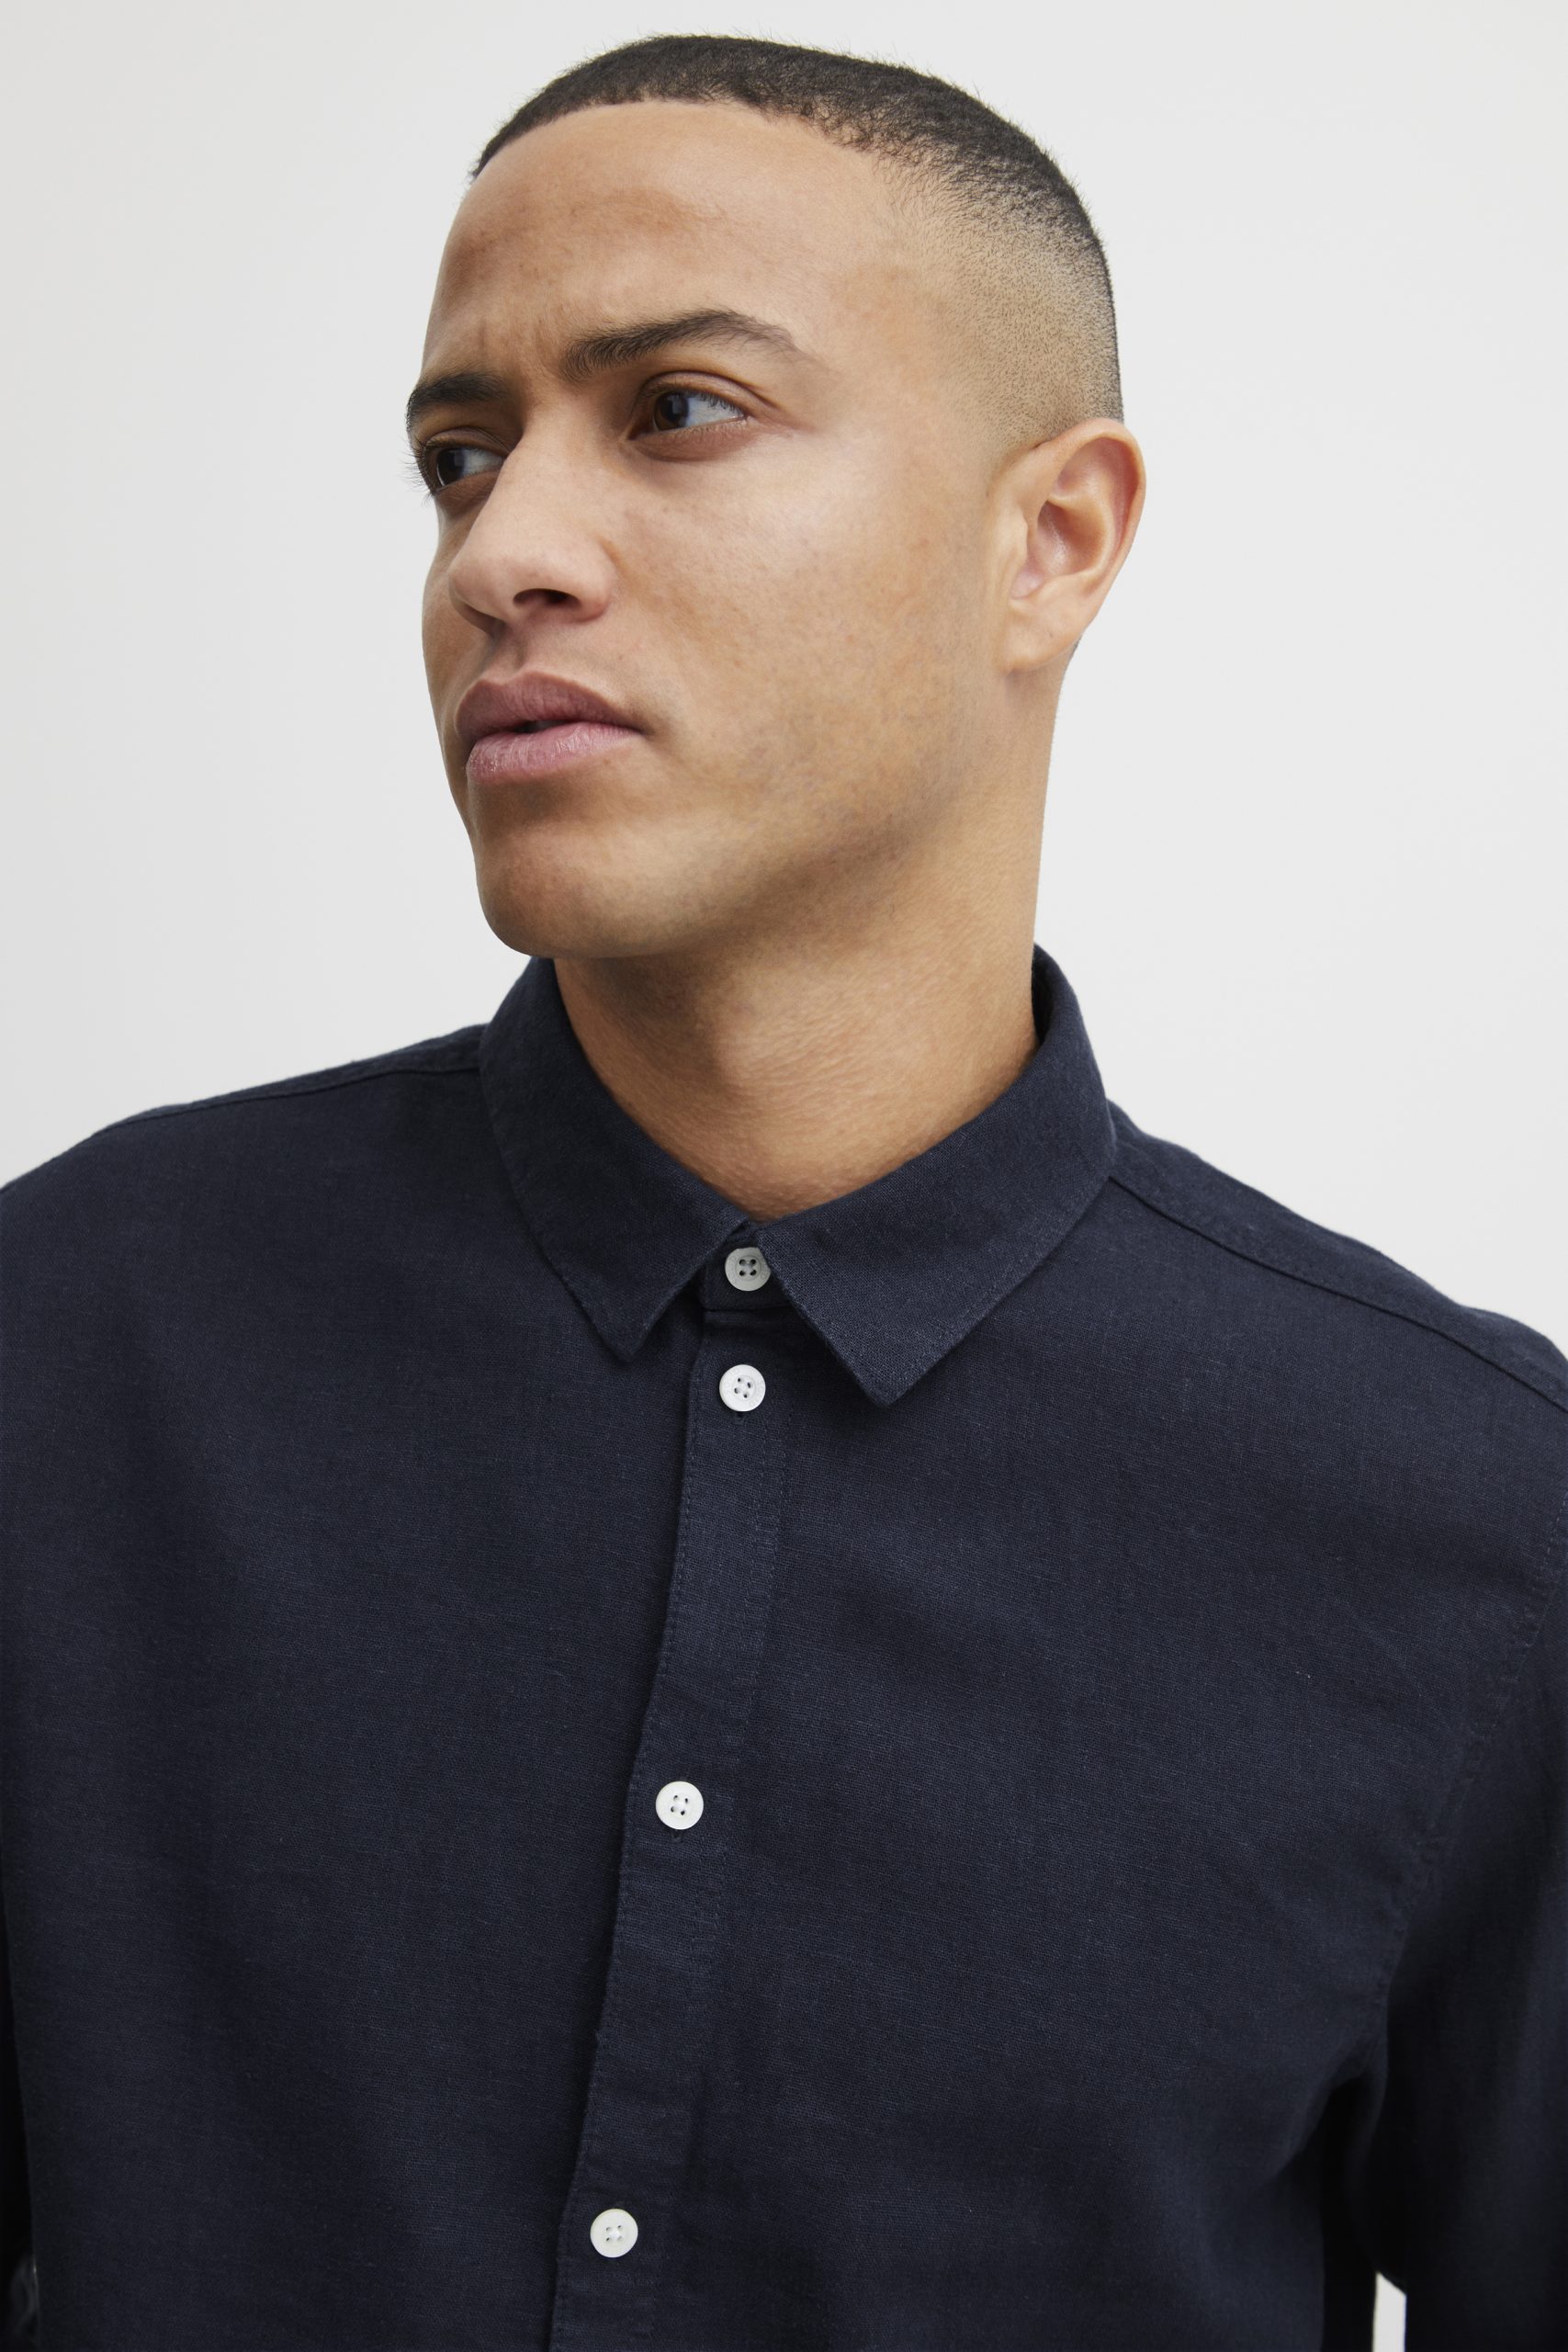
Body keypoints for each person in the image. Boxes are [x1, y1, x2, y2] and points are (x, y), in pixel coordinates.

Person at [1, 30, 1562, 2351]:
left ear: (1051, 540)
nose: (500, 554)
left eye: (678, 410)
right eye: (457, 457)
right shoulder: (60, 1347)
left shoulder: (1474, 1521)